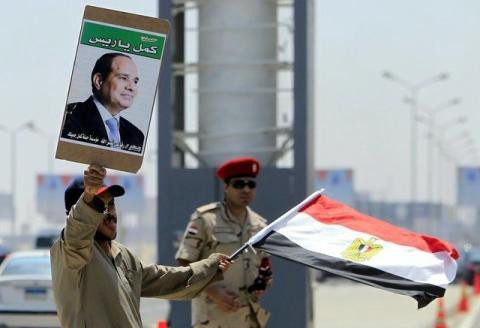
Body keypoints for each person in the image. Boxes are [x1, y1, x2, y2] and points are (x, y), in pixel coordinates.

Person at [50, 164, 231, 327]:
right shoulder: (70, 253)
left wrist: (211, 266)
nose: (110, 213)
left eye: (111, 204)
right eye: (100, 207)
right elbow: (76, 233)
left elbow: (166, 280)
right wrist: (88, 199)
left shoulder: (123, 255)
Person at [176, 156, 272, 328]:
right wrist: (214, 293)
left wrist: (263, 281)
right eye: (239, 184)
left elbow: (264, 266)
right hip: (213, 317)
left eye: (251, 184)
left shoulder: (260, 225)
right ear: (226, 187)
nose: (246, 189)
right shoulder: (205, 219)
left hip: (249, 317)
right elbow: (185, 262)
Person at [61, 53, 145, 153]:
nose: (131, 87)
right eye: (123, 78)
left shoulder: (137, 135)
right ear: (99, 81)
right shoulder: (69, 119)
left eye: (135, 81)